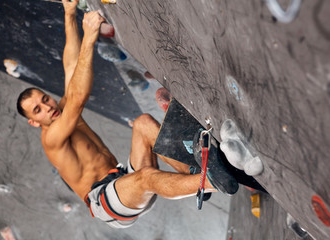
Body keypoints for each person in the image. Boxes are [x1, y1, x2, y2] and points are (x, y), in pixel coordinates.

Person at [16, 0, 238, 228]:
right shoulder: (51, 137)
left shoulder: (61, 110)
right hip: (105, 202)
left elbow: (72, 66)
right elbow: (78, 97)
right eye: (38, 110)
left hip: (121, 178)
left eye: (45, 99)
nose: (48, 107)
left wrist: (69, 12)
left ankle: (194, 171)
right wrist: (90, 35)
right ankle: (208, 182)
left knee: (143, 123)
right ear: (34, 122)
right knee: (147, 178)